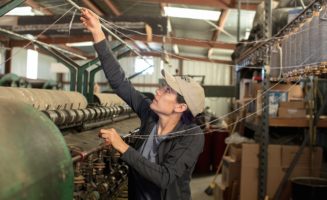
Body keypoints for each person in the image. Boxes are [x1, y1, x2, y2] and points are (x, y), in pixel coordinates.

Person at [81, 8, 205, 200]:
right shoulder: (150, 115)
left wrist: (122, 146)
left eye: (168, 91)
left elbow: (165, 177)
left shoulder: (192, 136)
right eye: (163, 87)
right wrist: (97, 33)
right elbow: (120, 82)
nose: (158, 91)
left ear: (180, 107)